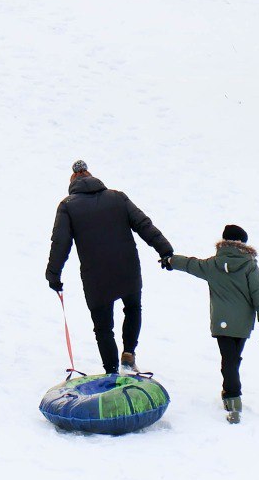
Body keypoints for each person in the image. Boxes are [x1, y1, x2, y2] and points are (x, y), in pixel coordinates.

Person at [46, 160, 173, 375]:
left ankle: (111, 372)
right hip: (128, 269)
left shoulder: (68, 206)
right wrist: (165, 250)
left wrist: (53, 275)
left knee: (103, 328)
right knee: (133, 309)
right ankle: (128, 355)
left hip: (96, 277)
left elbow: (61, 243)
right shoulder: (117, 197)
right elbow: (144, 224)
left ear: (72, 182)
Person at [166, 224, 259, 424]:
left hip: (221, 322)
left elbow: (190, 264)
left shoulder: (213, 265)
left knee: (229, 359)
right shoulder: (249, 266)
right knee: (232, 359)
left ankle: (232, 396)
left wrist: (171, 261)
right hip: (242, 324)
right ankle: (233, 397)